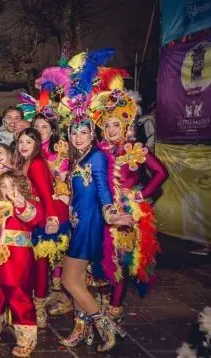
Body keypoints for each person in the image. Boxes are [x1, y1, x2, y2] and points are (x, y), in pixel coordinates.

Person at [60, 111, 133, 352]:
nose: (78, 137)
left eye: (83, 132)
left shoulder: (97, 157)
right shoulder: (81, 157)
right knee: (79, 280)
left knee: (69, 280)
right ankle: (96, 329)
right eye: (74, 133)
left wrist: (111, 213)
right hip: (79, 222)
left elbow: (103, 190)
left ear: (93, 134)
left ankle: (106, 326)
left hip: (89, 224)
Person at [94, 89, 168, 322]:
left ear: (125, 125)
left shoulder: (134, 149)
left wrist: (141, 194)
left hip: (126, 211)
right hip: (102, 208)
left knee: (120, 260)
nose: (111, 130)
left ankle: (115, 308)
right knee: (100, 257)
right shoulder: (98, 151)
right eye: (107, 126)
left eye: (116, 125)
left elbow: (161, 172)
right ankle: (102, 300)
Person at [0, 170, 43, 357]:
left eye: (12, 186)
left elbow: (34, 218)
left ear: (21, 186)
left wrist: (21, 204)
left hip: (18, 258)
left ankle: (26, 339)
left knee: (18, 293)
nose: (8, 190)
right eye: (3, 186)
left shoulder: (27, 203)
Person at [14, 127, 71, 328]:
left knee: (40, 265)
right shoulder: (23, 162)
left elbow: (46, 193)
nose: (24, 146)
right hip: (32, 215)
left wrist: (51, 218)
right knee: (35, 264)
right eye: (21, 142)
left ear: (36, 144)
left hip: (44, 217)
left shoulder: (36, 164)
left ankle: (39, 311)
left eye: (28, 142)